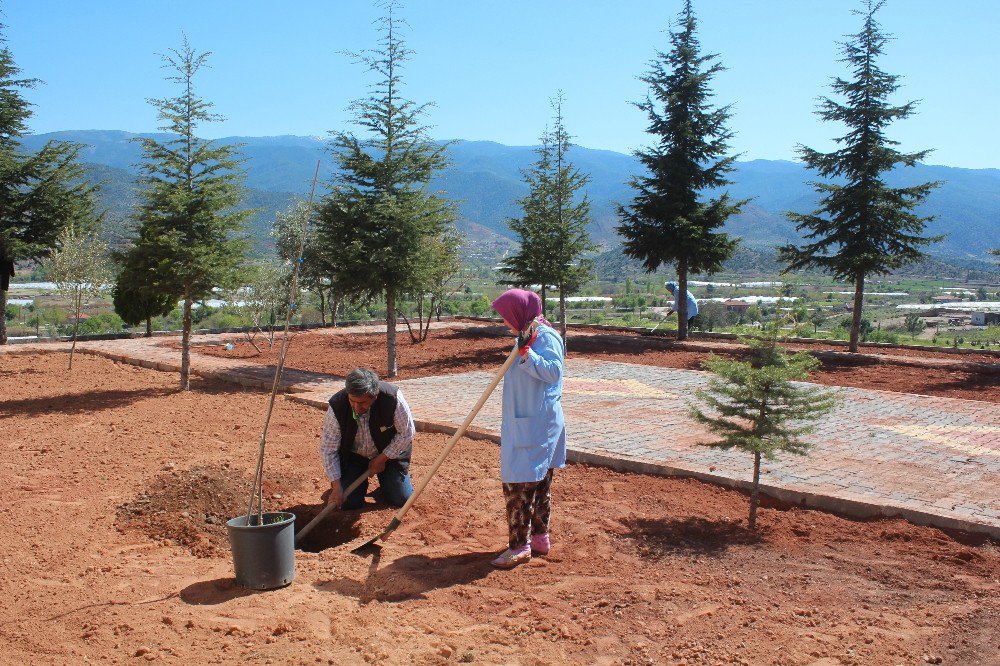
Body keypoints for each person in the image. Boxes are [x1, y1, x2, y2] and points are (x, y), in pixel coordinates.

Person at [489, 288, 566, 569]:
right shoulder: (528, 335)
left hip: (536, 425)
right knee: (538, 483)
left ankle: (521, 545)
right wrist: (523, 348)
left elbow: (553, 372)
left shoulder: (545, 337)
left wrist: (527, 354)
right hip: (529, 423)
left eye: (505, 316)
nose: (503, 321)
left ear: (518, 313)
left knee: (519, 486)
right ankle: (539, 538)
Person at [319, 368, 415, 510]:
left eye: (362, 402)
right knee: (348, 503)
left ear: (374, 396)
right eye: (352, 401)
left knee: (401, 498)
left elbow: (406, 433)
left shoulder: (392, 398)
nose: (357, 407)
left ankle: (388, 486)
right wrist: (337, 486)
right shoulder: (337, 407)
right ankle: (350, 483)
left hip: (388, 455)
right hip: (353, 457)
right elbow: (328, 449)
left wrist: (382, 458)